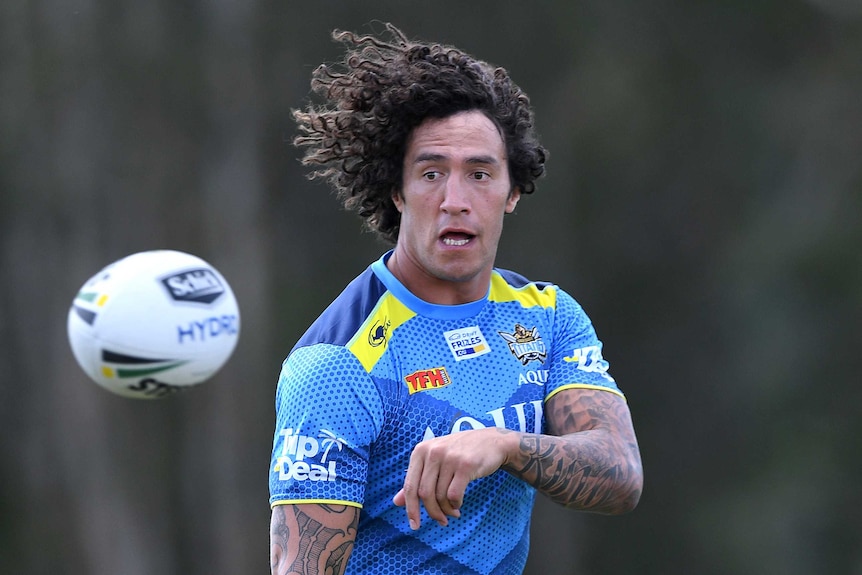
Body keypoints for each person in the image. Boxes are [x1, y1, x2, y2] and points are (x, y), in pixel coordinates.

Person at [269, 23, 643, 575]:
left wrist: (506, 446)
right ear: (396, 191)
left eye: (480, 174)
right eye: (430, 173)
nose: (454, 200)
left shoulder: (547, 316)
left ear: (513, 191)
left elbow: (619, 475)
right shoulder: (336, 365)